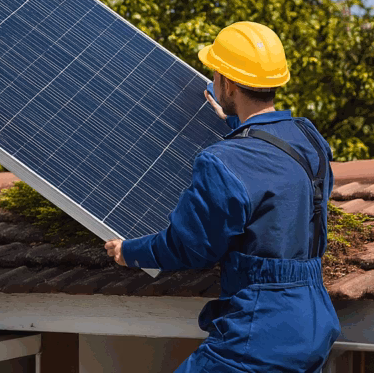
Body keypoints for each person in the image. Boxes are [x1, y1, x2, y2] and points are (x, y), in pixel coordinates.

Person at [105, 21, 341, 372]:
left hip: (259, 333)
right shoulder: (309, 139)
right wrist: (238, 124)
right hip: (313, 321)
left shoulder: (223, 161)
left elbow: (190, 247)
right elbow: (272, 168)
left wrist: (129, 251)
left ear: (227, 84)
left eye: (216, 74)